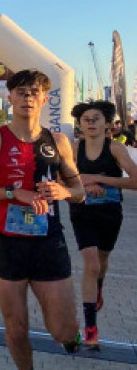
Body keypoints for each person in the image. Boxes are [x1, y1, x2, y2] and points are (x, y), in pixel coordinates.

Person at [0, 70, 85, 370]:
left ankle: (71, 339)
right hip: (6, 242)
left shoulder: (58, 141)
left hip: (48, 240)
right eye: (21, 92)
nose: (27, 97)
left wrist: (65, 191)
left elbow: (80, 193)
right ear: (11, 98)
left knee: (64, 330)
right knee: (16, 328)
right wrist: (12, 192)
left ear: (44, 99)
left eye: (34, 92)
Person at [68, 101, 137, 349]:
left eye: (95, 118)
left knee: (102, 261)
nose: (90, 122)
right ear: (80, 123)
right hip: (81, 211)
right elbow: (64, 180)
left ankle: (98, 287)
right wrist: (84, 185)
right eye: (85, 118)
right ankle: (90, 328)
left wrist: (97, 178)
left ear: (107, 123)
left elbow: (135, 181)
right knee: (91, 263)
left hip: (110, 213)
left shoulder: (116, 148)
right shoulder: (75, 148)